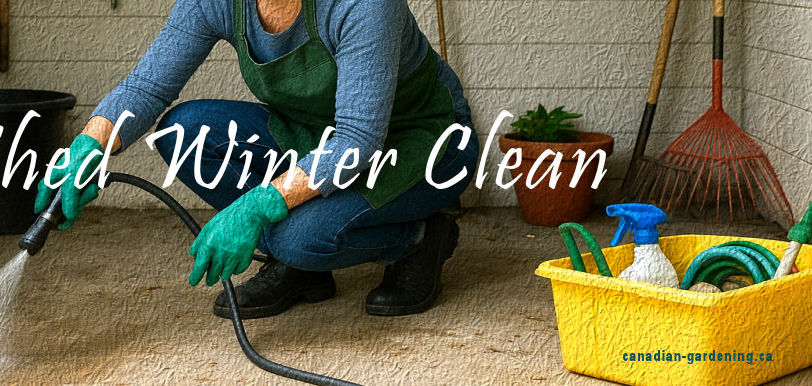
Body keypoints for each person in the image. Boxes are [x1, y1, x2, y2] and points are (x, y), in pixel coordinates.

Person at [35, 0, 479, 318]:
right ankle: (304, 274)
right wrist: (90, 147)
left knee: (298, 237)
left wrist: (259, 203)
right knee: (182, 132)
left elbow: (357, 141)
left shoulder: (362, 5)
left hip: (421, 140)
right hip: (313, 133)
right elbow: (146, 88)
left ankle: (420, 239)